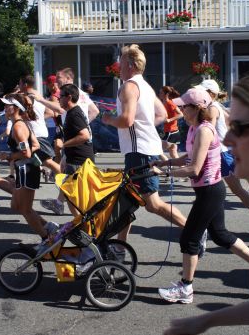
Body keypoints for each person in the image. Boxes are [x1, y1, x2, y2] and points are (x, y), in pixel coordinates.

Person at [163, 73, 249, 335]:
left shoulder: (204, 129)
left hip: (210, 190)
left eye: (239, 127)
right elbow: (187, 158)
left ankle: (186, 288)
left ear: (196, 108)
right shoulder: (193, 129)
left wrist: (167, 171)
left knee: (190, 238)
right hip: (208, 189)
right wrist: (206, 321)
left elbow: (194, 167)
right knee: (220, 234)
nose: (226, 141)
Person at [102, 44, 186, 243]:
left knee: (153, 204)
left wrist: (109, 120)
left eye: (121, 63)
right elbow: (162, 114)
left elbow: (126, 120)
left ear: (130, 65)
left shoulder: (129, 86)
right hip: (143, 149)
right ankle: (120, 246)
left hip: (139, 151)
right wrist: (145, 125)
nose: (118, 67)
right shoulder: (145, 86)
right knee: (127, 200)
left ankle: (194, 229)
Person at [32, 67, 99, 215]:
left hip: (79, 146)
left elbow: (64, 111)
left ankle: (83, 220)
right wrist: (84, 124)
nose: (56, 81)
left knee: (74, 188)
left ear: (68, 79)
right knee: (71, 184)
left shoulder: (73, 106)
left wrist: (41, 100)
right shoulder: (81, 95)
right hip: (76, 143)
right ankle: (63, 205)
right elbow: (95, 111)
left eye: (59, 77)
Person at [197, 79, 249, 233]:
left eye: (203, 92)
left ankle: (208, 226)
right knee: (214, 189)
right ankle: (210, 225)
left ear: (210, 94)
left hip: (221, 153)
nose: (200, 94)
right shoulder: (213, 107)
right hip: (220, 152)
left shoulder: (213, 108)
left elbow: (210, 129)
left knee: (235, 190)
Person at [0, 93, 59, 241]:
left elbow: (25, 152)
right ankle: (47, 226)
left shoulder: (18, 127)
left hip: (27, 170)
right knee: (16, 206)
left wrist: (8, 156)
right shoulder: (20, 123)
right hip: (25, 170)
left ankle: (47, 240)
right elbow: (36, 145)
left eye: (8, 105)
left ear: (16, 108)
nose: (5, 108)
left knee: (25, 209)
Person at [18, 75, 61, 175]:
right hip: (36, 132)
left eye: (20, 83)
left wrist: (25, 118)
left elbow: (51, 113)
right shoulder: (38, 94)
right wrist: (38, 118)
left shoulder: (29, 96)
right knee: (30, 158)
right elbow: (50, 112)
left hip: (36, 134)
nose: (18, 85)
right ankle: (38, 175)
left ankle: (68, 178)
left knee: (48, 162)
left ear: (25, 84)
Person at [159, 86, 183, 159]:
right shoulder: (164, 103)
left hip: (171, 132)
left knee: (157, 151)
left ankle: (168, 166)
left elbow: (181, 114)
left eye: (161, 93)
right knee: (173, 154)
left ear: (166, 94)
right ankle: (182, 168)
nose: (159, 94)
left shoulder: (170, 103)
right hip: (172, 132)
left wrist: (170, 120)